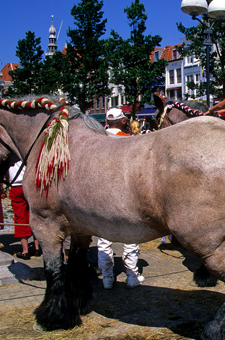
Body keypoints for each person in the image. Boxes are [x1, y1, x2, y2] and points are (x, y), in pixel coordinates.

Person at [98, 107, 144, 289]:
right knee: (130, 236)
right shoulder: (129, 140)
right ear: (123, 121)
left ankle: (107, 278)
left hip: (101, 194)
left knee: (103, 240)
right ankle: (132, 276)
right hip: (125, 194)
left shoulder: (97, 140)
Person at [8, 161, 41, 260]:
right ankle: (37, 247)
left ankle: (25, 250)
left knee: (20, 217)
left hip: (16, 185)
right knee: (35, 215)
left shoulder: (11, 153)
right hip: (31, 184)